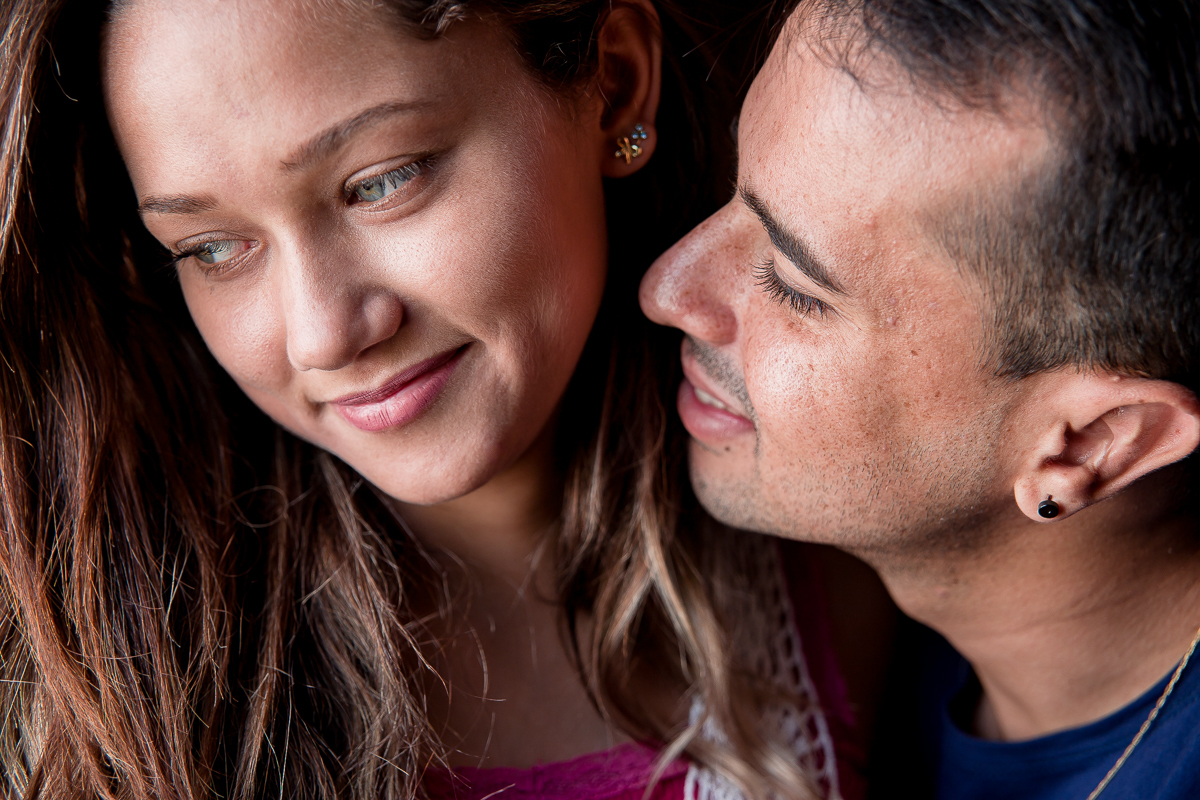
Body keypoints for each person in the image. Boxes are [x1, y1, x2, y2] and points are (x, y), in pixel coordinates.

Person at [0, 1, 882, 799]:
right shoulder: (101, 715)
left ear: (612, 84)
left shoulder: (846, 541)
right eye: (214, 249)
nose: (321, 336)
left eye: (382, 181)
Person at [640, 0, 1200, 797]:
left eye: (795, 286)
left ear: (1091, 442)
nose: (665, 288)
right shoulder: (855, 638)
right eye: (735, 189)